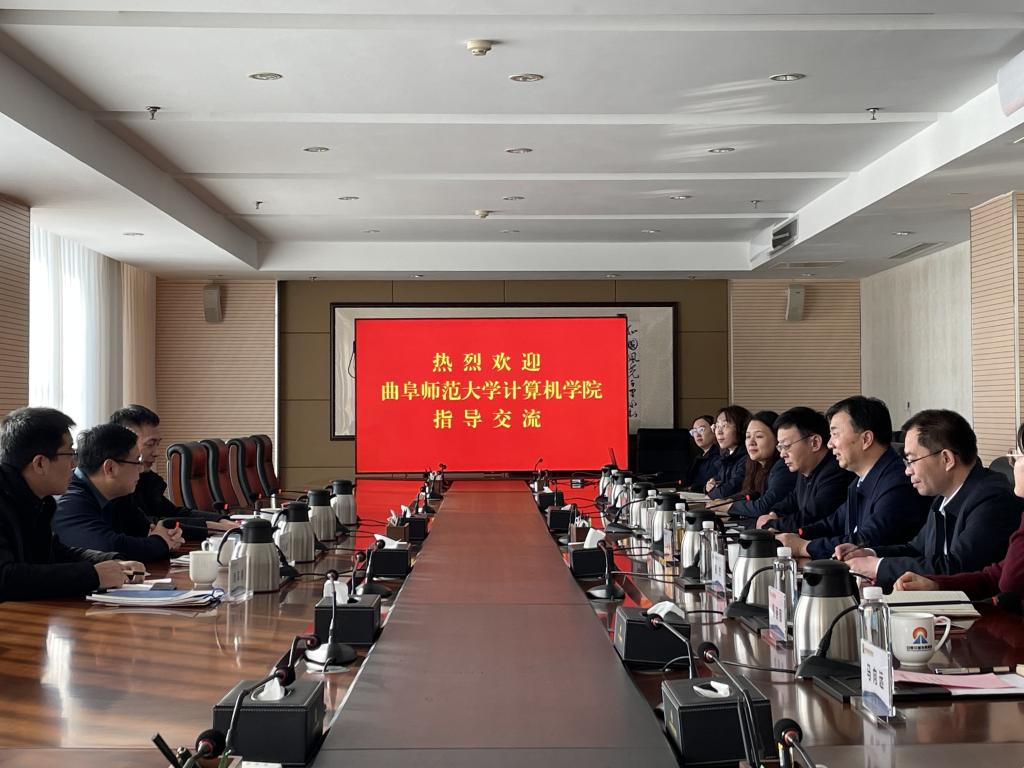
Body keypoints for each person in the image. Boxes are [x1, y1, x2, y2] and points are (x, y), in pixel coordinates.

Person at [837, 410, 1023, 589]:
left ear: (947, 459)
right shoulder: (944, 496)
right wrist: (869, 554)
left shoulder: (993, 500)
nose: (907, 471)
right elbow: (917, 549)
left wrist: (878, 567)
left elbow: (958, 567)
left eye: (911, 460)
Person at [0, 407, 144, 601]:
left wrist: (111, 562)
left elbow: (56, 554)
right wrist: (92, 575)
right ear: (40, 463)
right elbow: (5, 578)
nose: (74, 464)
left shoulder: (38, 501)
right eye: (70, 454)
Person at [776, 396, 930, 560]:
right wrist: (795, 534)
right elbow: (834, 523)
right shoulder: (861, 479)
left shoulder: (899, 482)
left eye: (835, 434)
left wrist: (804, 547)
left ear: (866, 439)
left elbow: (866, 541)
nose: (830, 444)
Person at [896, 423, 1024, 600]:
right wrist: (936, 585)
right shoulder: (941, 498)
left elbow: (1010, 583)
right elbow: (993, 576)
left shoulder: (992, 497)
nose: (1014, 465)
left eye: (1018, 457)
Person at [53, 423, 183, 563]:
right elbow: (107, 547)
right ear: (110, 468)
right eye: (137, 462)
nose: (141, 469)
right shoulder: (69, 500)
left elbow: (145, 530)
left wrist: (168, 537)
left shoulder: (117, 494)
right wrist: (160, 542)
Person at [109, 405, 235, 540]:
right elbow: (148, 524)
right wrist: (211, 526)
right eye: (150, 444)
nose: (156, 453)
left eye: (157, 444)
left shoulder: (146, 479)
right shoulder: (115, 486)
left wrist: (220, 519)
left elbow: (172, 512)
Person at [756, 407, 854, 532]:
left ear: (815, 443)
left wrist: (771, 525)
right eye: (780, 447)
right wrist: (774, 513)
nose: (782, 454)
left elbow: (812, 516)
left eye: (786, 446)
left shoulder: (837, 472)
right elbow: (793, 499)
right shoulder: (806, 468)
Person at [717, 411, 796, 518]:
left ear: (777, 439)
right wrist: (728, 501)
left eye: (759, 436)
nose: (751, 442)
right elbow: (750, 494)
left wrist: (728, 506)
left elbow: (763, 507)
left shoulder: (783, 466)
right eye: (748, 436)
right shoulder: (755, 465)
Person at [705, 405, 750, 500]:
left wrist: (711, 493)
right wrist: (711, 483)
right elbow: (720, 478)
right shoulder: (727, 454)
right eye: (717, 426)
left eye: (724, 426)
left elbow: (730, 489)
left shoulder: (747, 456)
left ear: (741, 428)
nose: (719, 432)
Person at [683, 415, 719, 491]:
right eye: (694, 431)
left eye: (701, 430)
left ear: (714, 430)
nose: (697, 434)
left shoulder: (721, 455)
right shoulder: (698, 457)